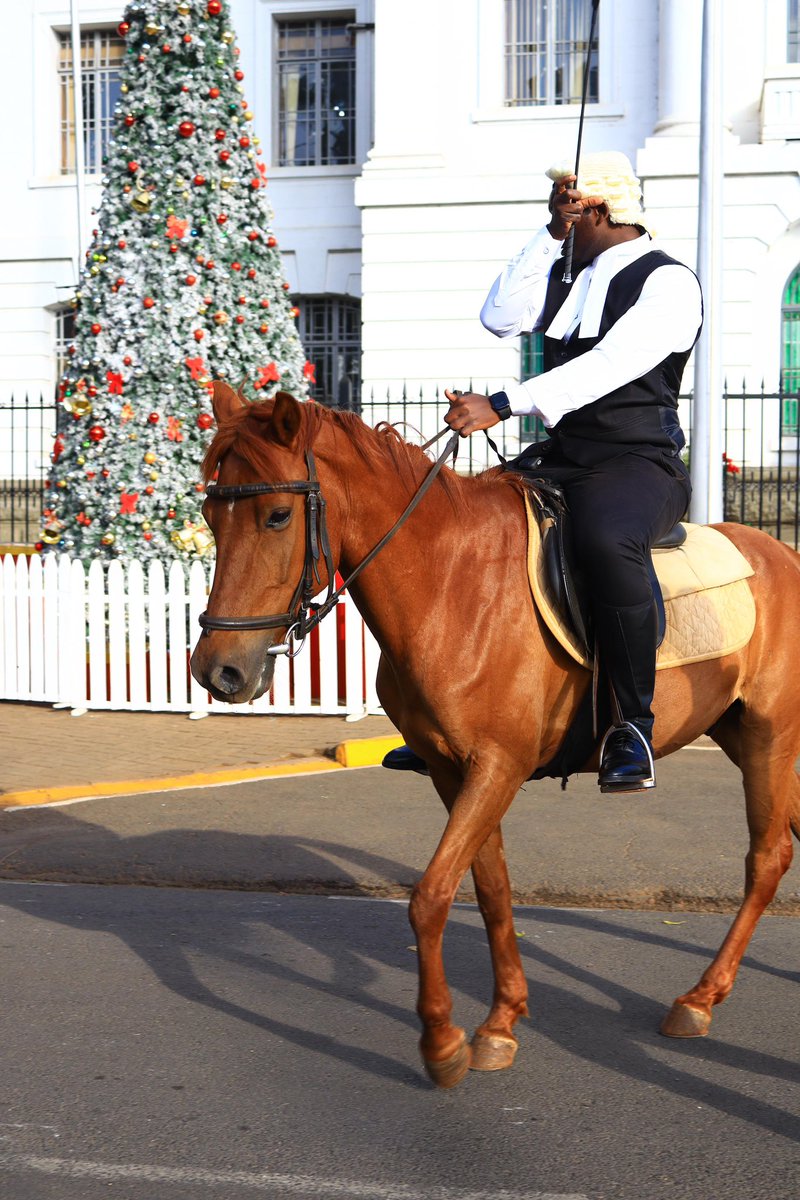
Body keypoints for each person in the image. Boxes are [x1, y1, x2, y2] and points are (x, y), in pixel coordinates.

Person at [384, 151, 702, 792]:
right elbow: (500, 317)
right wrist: (550, 232)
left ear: (602, 211)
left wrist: (501, 404)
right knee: (465, 520)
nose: (563, 215)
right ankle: (450, 713)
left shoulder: (669, 282)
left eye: (572, 206)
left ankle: (631, 727)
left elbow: (609, 364)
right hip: (565, 455)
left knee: (603, 539)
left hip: (639, 461)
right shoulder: (569, 270)